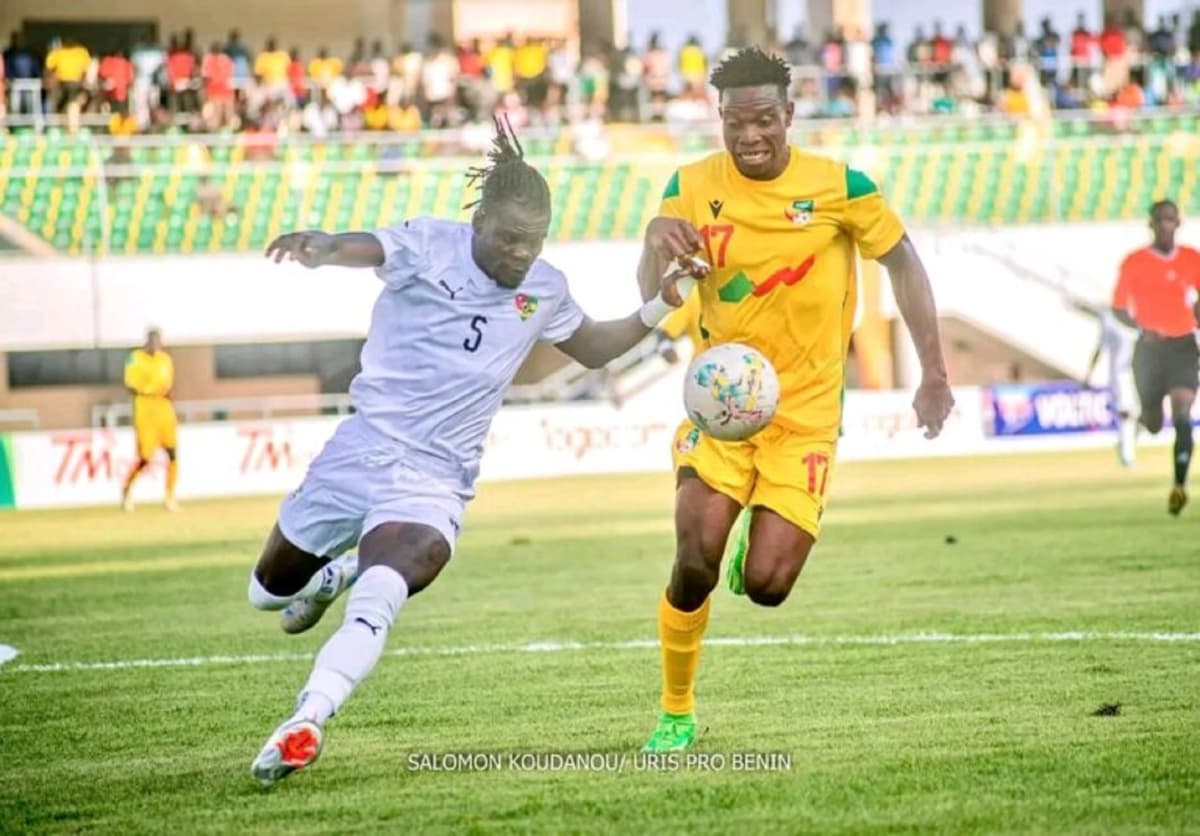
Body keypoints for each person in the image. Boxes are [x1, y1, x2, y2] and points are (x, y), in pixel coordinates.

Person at [246, 116, 700, 787]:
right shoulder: (429, 243)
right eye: (509, 237)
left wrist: (658, 306)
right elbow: (364, 246)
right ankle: (327, 575)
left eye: (534, 240)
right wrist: (323, 245)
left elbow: (597, 346)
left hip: (433, 481)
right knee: (266, 592)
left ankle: (306, 720)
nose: (521, 253)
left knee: (384, 593)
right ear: (479, 219)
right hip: (359, 453)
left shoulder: (543, 287)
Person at [634, 48, 954, 752]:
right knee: (695, 561)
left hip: (805, 418)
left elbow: (905, 262)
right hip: (719, 410)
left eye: (764, 121)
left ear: (789, 115)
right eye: (734, 122)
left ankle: (762, 534)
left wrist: (932, 371)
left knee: (769, 584)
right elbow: (649, 290)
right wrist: (654, 242)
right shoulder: (688, 186)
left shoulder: (842, 186)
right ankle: (676, 712)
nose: (749, 136)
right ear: (718, 118)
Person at [1111, 200, 1200, 514]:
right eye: (1160, 219)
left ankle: (1179, 487)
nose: (1166, 225)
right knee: (1153, 422)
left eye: (1171, 219)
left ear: (1178, 224)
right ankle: (1144, 419)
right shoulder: (1134, 262)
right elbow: (1118, 308)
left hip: (1183, 347)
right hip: (1149, 349)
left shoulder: (1192, 259)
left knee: (1182, 413)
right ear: (1151, 224)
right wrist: (1141, 328)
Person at [121, 328, 180, 512]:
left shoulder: (165, 360)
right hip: (145, 411)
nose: (156, 345)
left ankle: (169, 497)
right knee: (145, 458)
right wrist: (150, 389)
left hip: (164, 409)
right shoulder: (134, 358)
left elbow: (168, 384)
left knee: (172, 453)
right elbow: (130, 385)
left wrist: (166, 393)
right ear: (147, 341)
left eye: (159, 342)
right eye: (153, 341)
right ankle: (127, 489)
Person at [1085, 306, 1140, 466]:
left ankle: (1126, 443)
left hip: (1138, 372)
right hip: (1119, 375)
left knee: (1142, 414)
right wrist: (1089, 374)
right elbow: (1100, 347)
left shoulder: (1138, 311)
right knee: (1126, 412)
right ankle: (1127, 455)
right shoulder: (1108, 317)